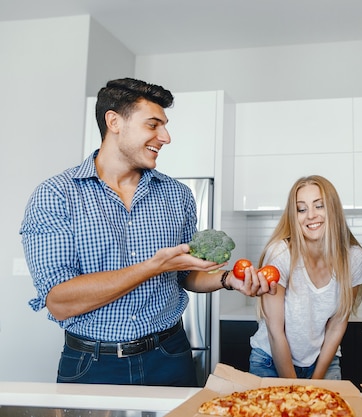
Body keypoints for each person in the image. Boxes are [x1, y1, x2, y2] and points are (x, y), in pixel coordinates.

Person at [19, 78, 276, 387]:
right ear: (114, 121)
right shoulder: (56, 194)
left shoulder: (177, 194)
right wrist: (154, 266)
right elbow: (60, 302)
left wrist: (226, 279)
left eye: (164, 126)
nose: (165, 137)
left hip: (170, 354)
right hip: (93, 363)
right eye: (153, 125)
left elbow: (183, 275)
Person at [248, 175, 362, 380]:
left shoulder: (353, 258)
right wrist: (297, 391)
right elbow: (276, 331)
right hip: (270, 361)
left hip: (323, 361)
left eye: (319, 206)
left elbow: (337, 323)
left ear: (333, 210)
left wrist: (316, 381)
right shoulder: (279, 254)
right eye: (301, 209)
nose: (311, 215)